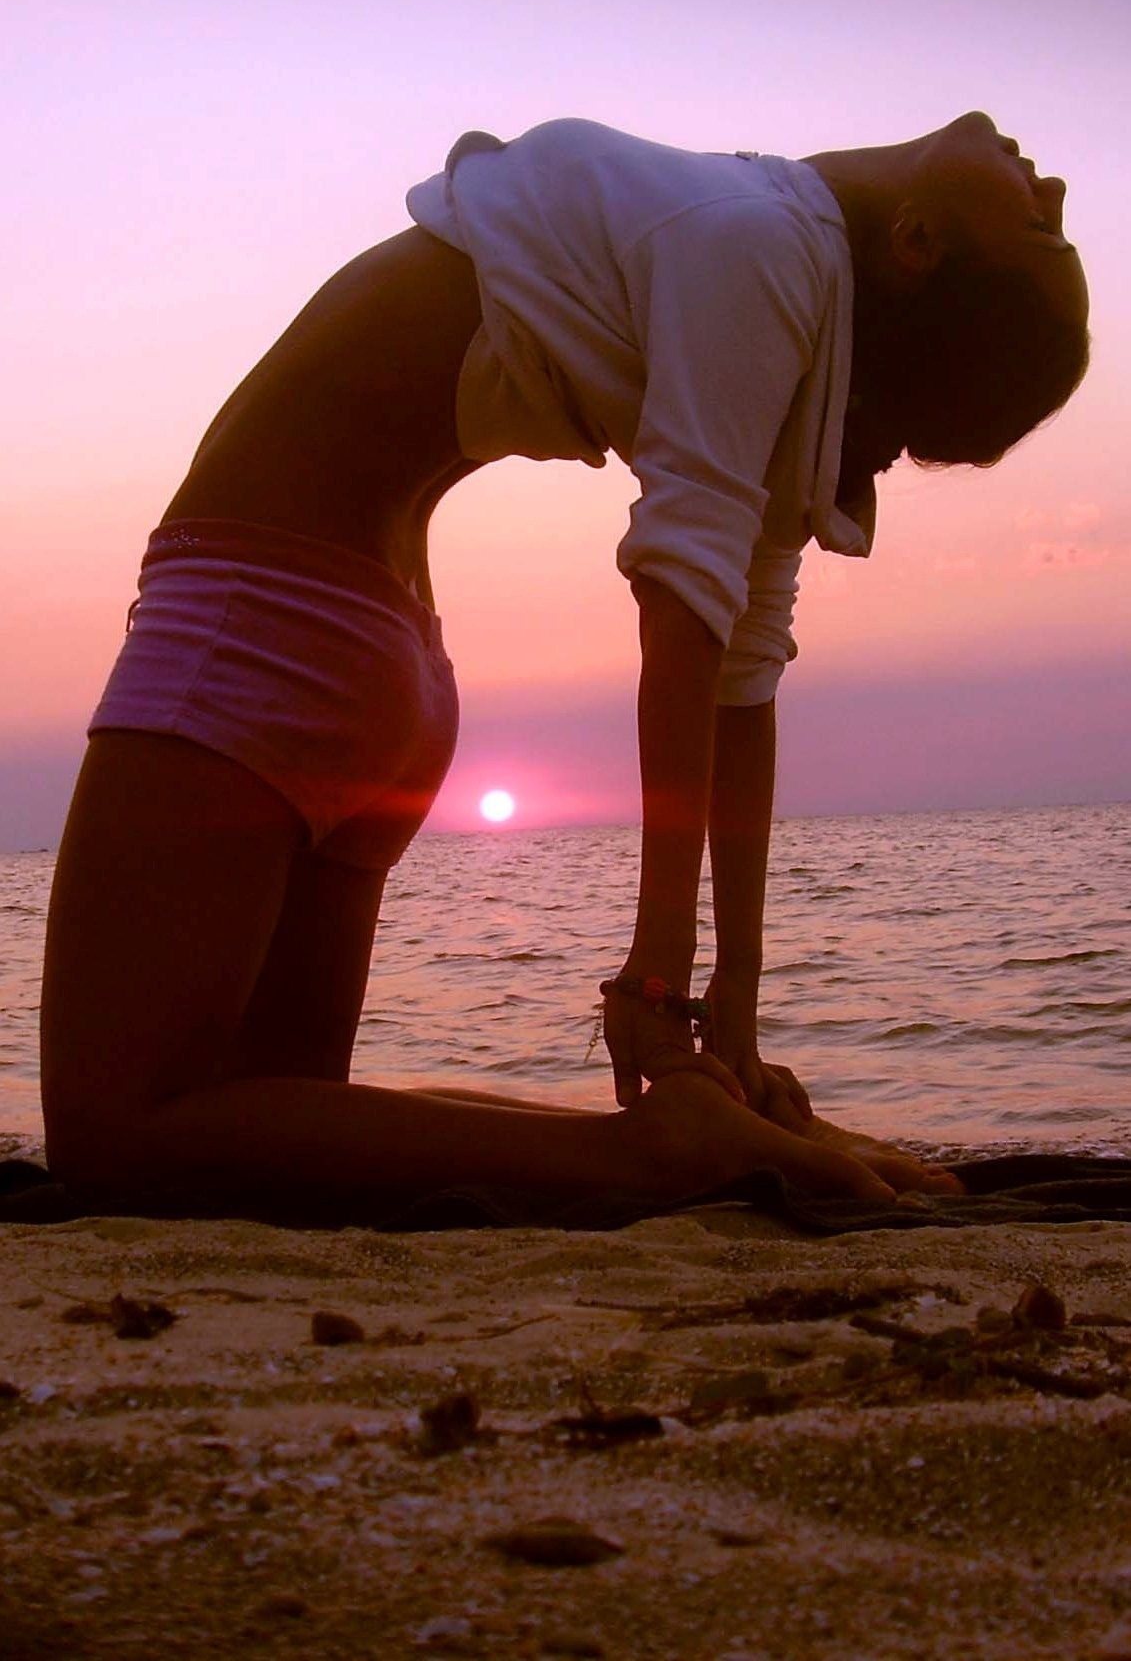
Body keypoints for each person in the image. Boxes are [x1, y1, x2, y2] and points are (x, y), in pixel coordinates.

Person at [39, 110, 1088, 1211]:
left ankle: (658, 1155)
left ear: (917, 241)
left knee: (113, 1133)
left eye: (1038, 229)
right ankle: (688, 1139)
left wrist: (662, 983)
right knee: (272, 1115)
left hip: (269, 612)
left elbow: (698, 622)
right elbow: (743, 664)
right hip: (370, 644)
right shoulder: (791, 286)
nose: (1053, 188)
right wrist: (730, 1021)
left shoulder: (753, 241)